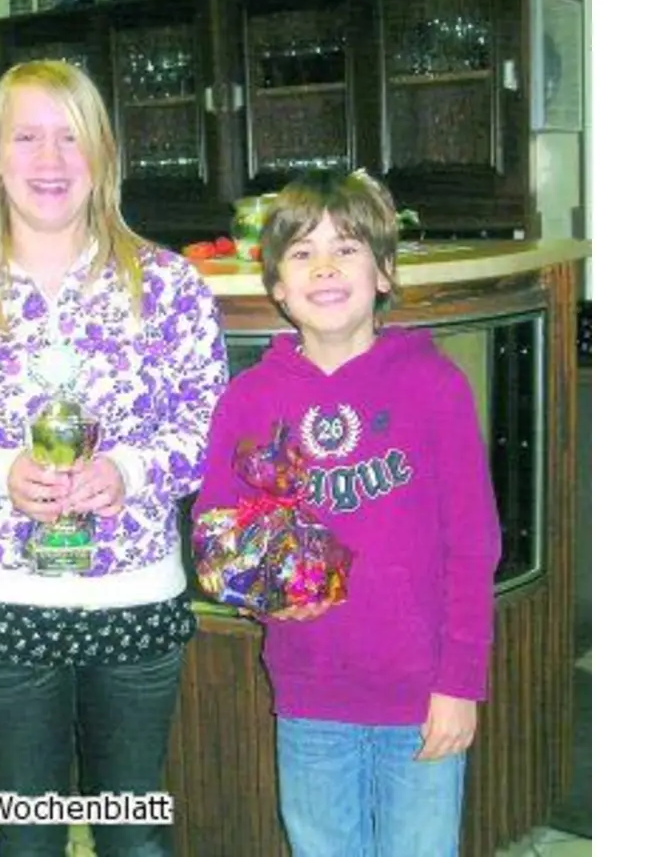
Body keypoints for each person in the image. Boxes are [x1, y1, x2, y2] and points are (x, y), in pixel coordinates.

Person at [0, 59, 228, 857]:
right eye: (27, 136)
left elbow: (206, 433)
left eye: (71, 137)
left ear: (103, 156)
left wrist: (130, 472)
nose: (49, 159)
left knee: (135, 836)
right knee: (27, 839)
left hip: (135, 598)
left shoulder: (170, 286)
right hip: (2, 603)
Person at [191, 169, 501, 857]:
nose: (325, 267)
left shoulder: (434, 386)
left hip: (422, 697)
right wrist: (261, 593)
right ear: (275, 285)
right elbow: (217, 531)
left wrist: (460, 684)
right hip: (309, 692)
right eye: (302, 253)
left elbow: (474, 547)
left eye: (348, 248)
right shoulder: (248, 399)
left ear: (385, 272)